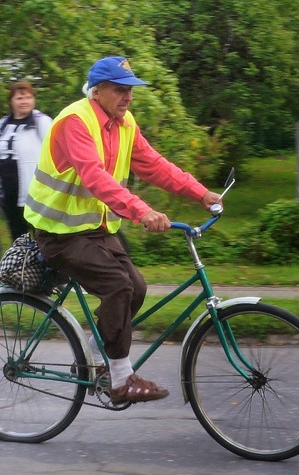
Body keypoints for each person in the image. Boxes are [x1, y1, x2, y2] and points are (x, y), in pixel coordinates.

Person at [24, 56, 220, 404]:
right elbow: (94, 177)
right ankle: (120, 381)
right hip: (59, 232)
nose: (128, 97)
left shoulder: (124, 123)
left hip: (94, 229)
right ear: (96, 91)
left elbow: (155, 165)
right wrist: (141, 211)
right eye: (120, 90)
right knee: (118, 285)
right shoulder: (75, 121)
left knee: (137, 288)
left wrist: (200, 193)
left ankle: (95, 358)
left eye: (130, 90)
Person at [0, 81, 53, 241]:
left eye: (28, 97)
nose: (24, 101)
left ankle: (50, 264)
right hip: (10, 191)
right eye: (19, 98)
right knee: (18, 235)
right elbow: (0, 152)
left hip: (35, 191)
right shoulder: (2, 124)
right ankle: (24, 264)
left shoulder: (41, 122)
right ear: (11, 101)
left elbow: (55, 150)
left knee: (43, 235)